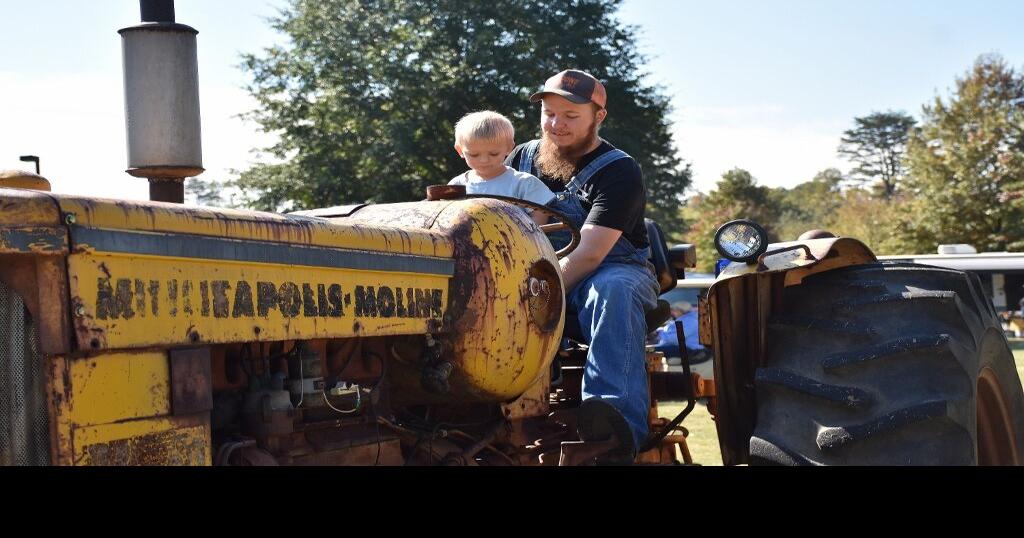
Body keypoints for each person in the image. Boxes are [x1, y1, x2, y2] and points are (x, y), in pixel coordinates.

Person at [507, 69, 660, 461]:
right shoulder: (519, 159)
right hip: (532, 272)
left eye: (570, 116)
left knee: (614, 291)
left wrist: (534, 292)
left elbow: (591, 254)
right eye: (549, 113)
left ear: (598, 117)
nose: (556, 124)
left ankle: (612, 424)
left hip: (611, 267)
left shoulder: (618, 170)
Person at [448, 111, 555, 226]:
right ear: (460, 150)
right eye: (474, 155)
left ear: (509, 147)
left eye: (493, 154)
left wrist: (527, 237)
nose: (484, 160)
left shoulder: (524, 183)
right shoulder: (456, 186)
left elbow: (540, 214)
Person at [651, 301, 710, 365]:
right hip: (684, 347)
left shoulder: (690, 321)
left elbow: (676, 338)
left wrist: (658, 334)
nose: (672, 313)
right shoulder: (686, 319)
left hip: (691, 350)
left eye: (674, 310)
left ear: (681, 311)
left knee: (651, 350)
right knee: (652, 348)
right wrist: (658, 332)